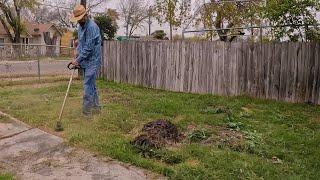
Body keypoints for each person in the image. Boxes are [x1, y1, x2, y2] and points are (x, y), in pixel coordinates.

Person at [70, 4, 102, 118]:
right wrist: (77, 51)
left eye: (79, 19)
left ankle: (86, 113)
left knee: (88, 85)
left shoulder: (92, 27)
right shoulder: (80, 26)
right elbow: (82, 43)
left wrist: (77, 60)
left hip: (93, 60)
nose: (78, 21)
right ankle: (97, 108)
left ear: (85, 16)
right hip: (85, 60)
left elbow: (89, 47)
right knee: (92, 85)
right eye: (77, 19)